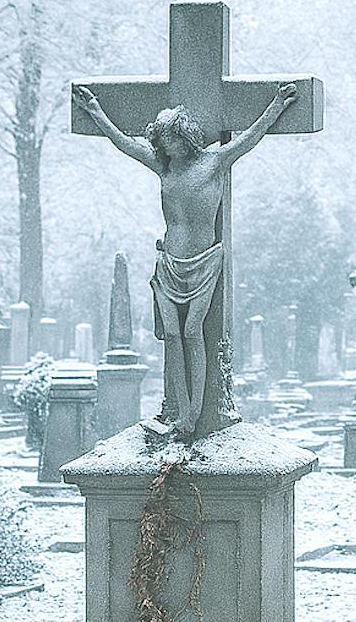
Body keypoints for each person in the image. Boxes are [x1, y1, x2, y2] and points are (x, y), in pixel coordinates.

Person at [72, 80, 298, 440]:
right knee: (173, 337)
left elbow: (251, 137)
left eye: (172, 140)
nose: (166, 147)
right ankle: (181, 414)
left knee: (194, 331)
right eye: (162, 142)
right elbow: (126, 145)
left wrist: (276, 106)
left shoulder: (214, 162)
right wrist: (96, 111)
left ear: (186, 137)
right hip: (169, 264)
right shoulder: (166, 168)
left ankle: (194, 414)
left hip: (203, 262)